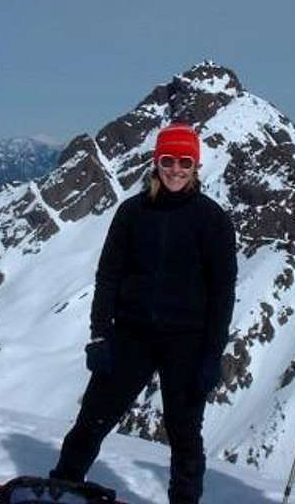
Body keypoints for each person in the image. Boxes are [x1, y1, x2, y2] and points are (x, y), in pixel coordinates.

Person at [50, 123, 238, 504]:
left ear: (196, 166)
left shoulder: (211, 219)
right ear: (156, 162)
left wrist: (211, 354)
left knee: (184, 433)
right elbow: (108, 276)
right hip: (131, 335)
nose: (176, 169)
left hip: (186, 339)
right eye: (168, 160)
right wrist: (100, 335)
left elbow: (222, 294)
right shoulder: (132, 213)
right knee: (93, 419)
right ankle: (60, 488)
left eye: (185, 161)